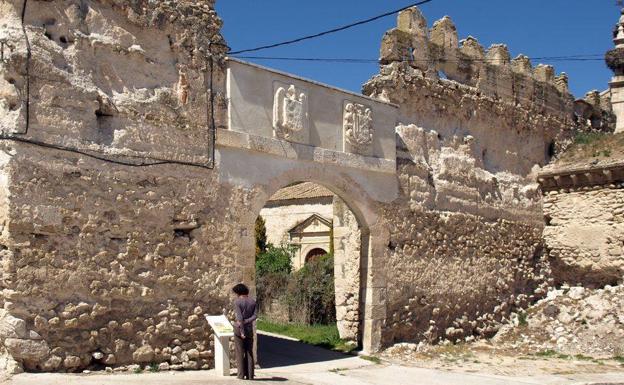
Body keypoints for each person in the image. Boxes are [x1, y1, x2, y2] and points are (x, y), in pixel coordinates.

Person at [232, 283, 257, 380]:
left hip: (239, 329)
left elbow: (239, 318)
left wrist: (242, 331)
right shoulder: (253, 302)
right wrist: (247, 321)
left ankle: (241, 375)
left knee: (240, 352)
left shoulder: (238, 302)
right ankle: (250, 375)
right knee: (249, 352)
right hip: (249, 329)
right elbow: (255, 316)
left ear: (238, 293)